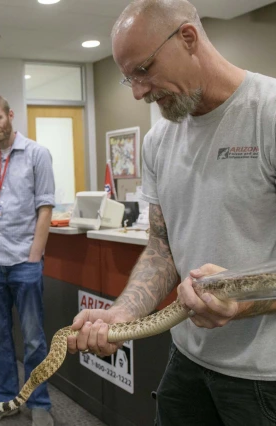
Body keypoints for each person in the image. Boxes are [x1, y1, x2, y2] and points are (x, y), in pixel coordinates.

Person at [67, 1, 276, 425]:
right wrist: (122, 314)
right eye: (129, 77)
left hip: (263, 378)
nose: (138, 91)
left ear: (187, 38)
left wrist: (240, 304)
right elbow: (162, 247)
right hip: (186, 362)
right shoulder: (158, 141)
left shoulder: (267, 114)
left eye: (143, 69)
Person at [0, 95, 56, 426]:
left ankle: (39, 402)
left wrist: (35, 257)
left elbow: (45, 208)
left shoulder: (37, 155)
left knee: (33, 339)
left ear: (10, 115)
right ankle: (5, 400)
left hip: (24, 262)